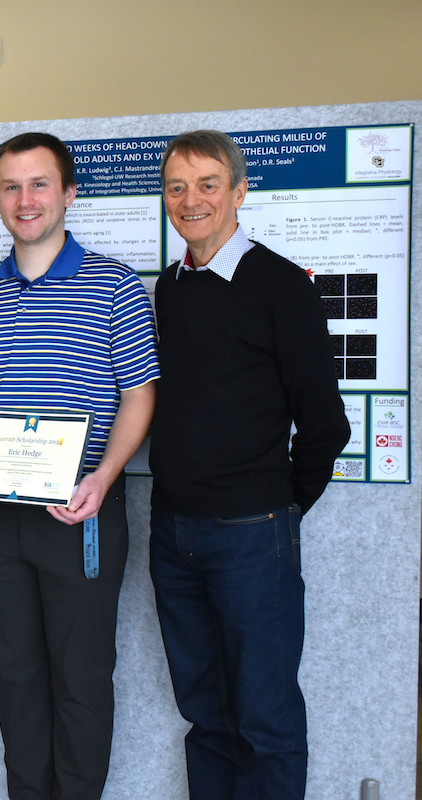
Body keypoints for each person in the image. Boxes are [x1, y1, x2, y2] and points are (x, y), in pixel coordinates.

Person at [0, 132, 159, 800]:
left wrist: (104, 476)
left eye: (39, 185)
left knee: (82, 678)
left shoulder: (115, 285)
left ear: (69, 194)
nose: (25, 200)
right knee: (17, 678)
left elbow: (139, 395)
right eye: (11, 186)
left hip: (81, 514)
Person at [147, 130, 350, 800]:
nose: (191, 199)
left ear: (239, 191)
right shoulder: (168, 289)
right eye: (177, 186)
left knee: (265, 721)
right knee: (205, 716)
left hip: (251, 537)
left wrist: (277, 506)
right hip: (174, 537)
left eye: (208, 184)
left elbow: (325, 425)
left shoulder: (283, 287)